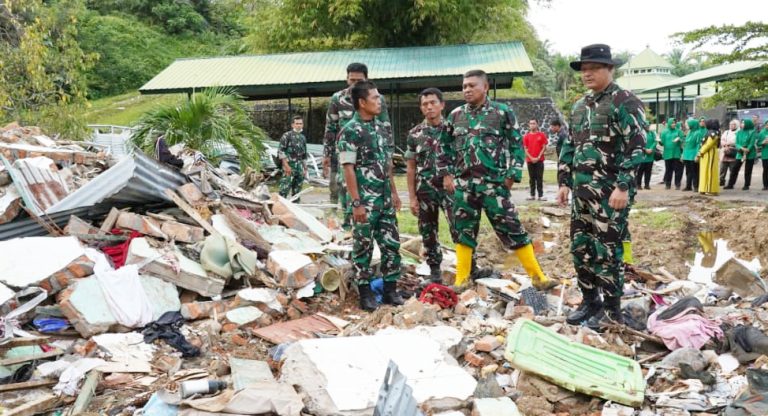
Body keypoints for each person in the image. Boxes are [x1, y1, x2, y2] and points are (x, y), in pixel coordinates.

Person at [557, 44, 646, 329]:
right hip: (582, 193)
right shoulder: (579, 106)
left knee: (607, 251)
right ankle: (590, 301)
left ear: (610, 69)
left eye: (594, 68)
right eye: (584, 69)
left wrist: (623, 186)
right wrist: (563, 181)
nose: (587, 74)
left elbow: (639, 145)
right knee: (580, 248)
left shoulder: (625, 101)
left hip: (610, 193)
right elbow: (570, 145)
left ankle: (611, 309)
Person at [437, 69, 553, 291]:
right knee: (463, 232)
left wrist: (512, 175)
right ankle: (462, 279)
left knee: (513, 228)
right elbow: (443, 146)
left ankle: (538, 277)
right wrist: (446, 174)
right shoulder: (456, 115)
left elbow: (516, 144)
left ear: (485, 87)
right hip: (464, 187)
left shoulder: (502, 112)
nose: (467, 90)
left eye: (472, 85)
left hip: (494, 186)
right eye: (464, 86)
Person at [337, 81, 403, 311]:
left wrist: (394, 192)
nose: (379, 101)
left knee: (391, 245)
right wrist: (356, 203)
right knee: (363, 248)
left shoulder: (381, 128)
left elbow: (387, 164)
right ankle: (365, 294)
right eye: (374, 97)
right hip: (364, 202)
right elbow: (348, 169)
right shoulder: (349, 131)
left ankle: (390, 290)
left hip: (385, 200)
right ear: (362, 102)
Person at [323, 63, 391, 219]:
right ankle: (349, 220)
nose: (354, 84)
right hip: (346, 150)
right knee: (344, 185)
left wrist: (389, 153)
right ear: (346, 79)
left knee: (375, 186)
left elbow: (386, 127)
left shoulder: (377, 99)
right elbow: (330, 127)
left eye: (358, 80)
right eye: (351, 80)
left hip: (372, 152)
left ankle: (375, 217)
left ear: (366, 79)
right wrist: (327, 153)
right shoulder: (338, 98)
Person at [405, 88, 458, 283]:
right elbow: (411, 168)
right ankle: (435, 271)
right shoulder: (415, 134)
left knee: (460, 227)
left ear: (442, 105)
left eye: (433, 102)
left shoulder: (454, 130)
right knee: (428, 232)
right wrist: (412, 198)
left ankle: (470, 267)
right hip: (425, 191)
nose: (429, 107)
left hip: (451, 189)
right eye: (425, 104)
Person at [277, 116, 308, 199]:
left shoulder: (302, 138)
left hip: (299, 168)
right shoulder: (287, 135)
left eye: (300, 124)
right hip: (289, 166)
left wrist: (305, 168)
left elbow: (304, 155)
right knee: (284, 189)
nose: (299, 125)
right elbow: (281, 151)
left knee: (297, 191)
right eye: (297, 123)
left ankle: (295, 205)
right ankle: (280, 206)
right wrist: (286, 166)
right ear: (292, 125)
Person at [726, 118, 757, 190]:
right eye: (741, 123)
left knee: (748, 170)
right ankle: (730, 184)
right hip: (740, 152)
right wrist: (741, 148)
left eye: (743, 123)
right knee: (735, 168)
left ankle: (746, 185)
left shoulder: (752, 132)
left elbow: (751, 143)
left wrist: (747, 149)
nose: (742, 124)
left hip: (750, 153)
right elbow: (736, 143)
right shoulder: (739, 132)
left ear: (747, 124)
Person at [523, 118, 548, 200]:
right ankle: (532, 195)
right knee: (532, 178)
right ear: (529, 125)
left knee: (539, 178)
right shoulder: (526, 136)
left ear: (537, 124)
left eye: (534, 123)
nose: (532, 125)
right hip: (530, 160)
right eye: (530, 123)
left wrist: (538, 157)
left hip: (539, 160)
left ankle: (540, 195)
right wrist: (531, 158)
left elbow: (544, 147)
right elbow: (525, 149)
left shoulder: (542, 135)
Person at [695, 119, 720, 195]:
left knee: (710, 172)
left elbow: (708, 145)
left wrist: (699, 153)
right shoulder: (709, 132)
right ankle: (703, 188)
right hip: (705, 155)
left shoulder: (714, 133)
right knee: (704, 172)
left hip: (710, 154)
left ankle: (711, 189)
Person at [659, 118, 684, 189]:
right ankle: (668, 184)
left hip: (676, 153)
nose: (674, 124)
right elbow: (662, 142)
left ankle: (677, 184)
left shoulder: (679, 131)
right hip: (667, 154)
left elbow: (683, 140)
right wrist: (659, 142)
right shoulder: (664, 132)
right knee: (668, 170)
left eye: (674, 123)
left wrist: (679, 139)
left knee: (678, 170)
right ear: (669, 123)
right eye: (672, 123)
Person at [681, 118, 702, 191]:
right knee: (688, 172)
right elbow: (686, 144)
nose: (686, 125)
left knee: (695, 172)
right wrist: (683, 154)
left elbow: (698, 145)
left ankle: (696, 186)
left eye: (688, 124)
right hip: (687, 154)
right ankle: (688, 186)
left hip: (693, 154)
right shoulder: (689, 132)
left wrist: (697, 155)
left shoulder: (698, 133)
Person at [635, 124, 656, 190]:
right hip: (642, 155)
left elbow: (655, 141)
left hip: (650, 155)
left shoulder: (652, 133)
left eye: (648, 126)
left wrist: (651, 148)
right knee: (640, 171)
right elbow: (637, 143)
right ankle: (638, 185)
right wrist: (645, 149)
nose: (647, 127)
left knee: (648, 171)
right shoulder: (640, 134)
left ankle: (647, 185)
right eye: (646, 126)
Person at [720, 120, 739, 186]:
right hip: (725, 152)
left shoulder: (738, 132)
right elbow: (722, 140)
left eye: (733, 124)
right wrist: (725, 145)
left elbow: (736, 141)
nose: (731, 126)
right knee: (722, 168)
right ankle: (721, 180)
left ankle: (731, 183)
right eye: (730, 124)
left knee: (732, 169)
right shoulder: (726, 132)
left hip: (733, 152)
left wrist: (729, 143)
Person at [758, 121, 768, 191]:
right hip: (765, 155)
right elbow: (758, 144)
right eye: (767, 125)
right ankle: (765, 185)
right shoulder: (762, 133)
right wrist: (763, 143)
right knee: (766, 170)